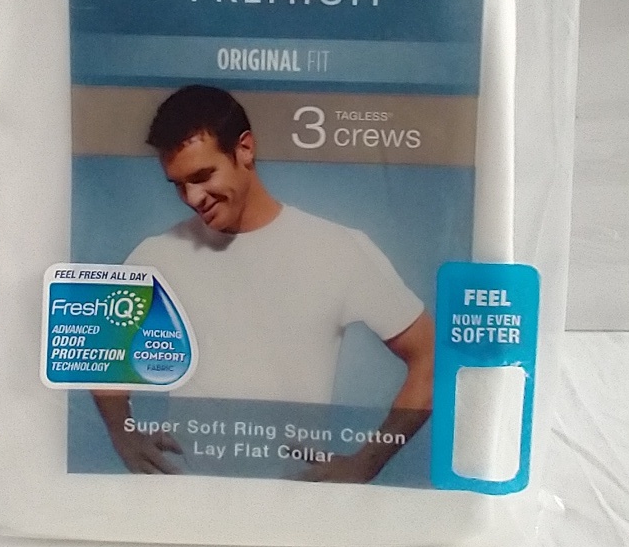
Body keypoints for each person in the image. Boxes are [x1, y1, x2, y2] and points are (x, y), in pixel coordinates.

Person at [93, 85, 435, 483]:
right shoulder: (158, 256)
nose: (193, 197)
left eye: (202, 176)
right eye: (179, 184)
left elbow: (430, 357)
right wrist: (123, 436)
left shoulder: (338, 249)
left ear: (245, 149)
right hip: (185, 499)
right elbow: (101, 355)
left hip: (296, 502)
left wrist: (365, 463)